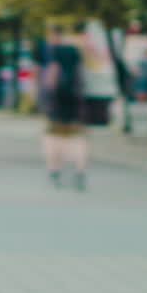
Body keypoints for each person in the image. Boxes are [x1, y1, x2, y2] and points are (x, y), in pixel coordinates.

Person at [41, 30, 88, 190]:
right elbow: (82, 83)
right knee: (77, 139)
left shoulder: (56, 58)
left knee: (53, 139)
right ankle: (80, 170)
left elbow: (50, 81)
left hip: (57, 103)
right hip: (75, 103)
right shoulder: (77, 65)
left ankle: (54, 169)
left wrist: (46, 98)